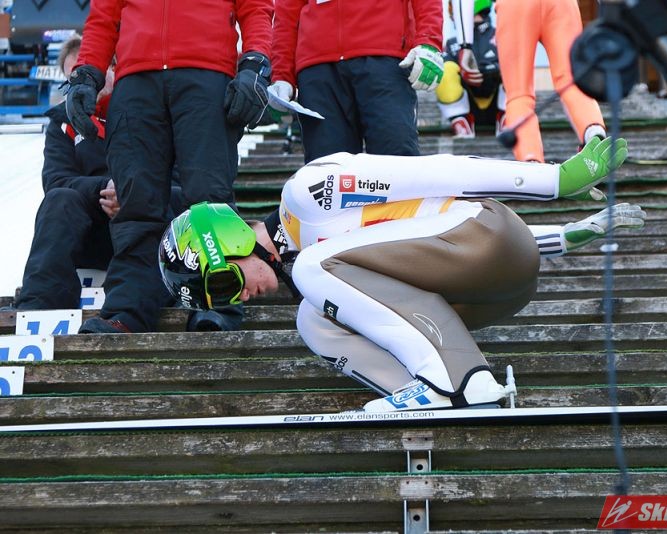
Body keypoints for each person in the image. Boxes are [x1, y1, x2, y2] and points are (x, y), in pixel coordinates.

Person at [158, 137, 644, 412]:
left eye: (225, 284)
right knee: (313, 319)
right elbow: (415, 244)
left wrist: (555, 181)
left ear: (229, 240)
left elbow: (440, 174)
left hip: (485, 232)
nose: (240, 298)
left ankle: (450, 381)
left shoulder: (307, 194)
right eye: (224, 300)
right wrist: (563, 238)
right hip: (488, 280)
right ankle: (432, 393)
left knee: (312, 269)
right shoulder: (319, 266)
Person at [62, 0, 273, 333]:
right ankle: (127, 311)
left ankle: (218, 301)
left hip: (206, 75)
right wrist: (86, 73)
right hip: (136, 82)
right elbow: (104, 15)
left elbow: (256, 7)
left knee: (209, 196)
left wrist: (254, 63)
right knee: (136, 205)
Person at [9, 36, 240, 332]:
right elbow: (55, 181)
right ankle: (39, 307)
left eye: (87, 73)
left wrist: (133, 194)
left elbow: (184, 183)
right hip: (95, 228)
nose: (81, 84)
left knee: (188, 201)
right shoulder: (63, 122)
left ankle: (197, 296)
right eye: (72, 79)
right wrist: (107, 189)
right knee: (59, 200)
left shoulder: (156, 110)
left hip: (156, 229)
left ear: (114, 68)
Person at [268, 0, 444, 163]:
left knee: (395, 162)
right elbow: (286, 12)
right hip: (317, 69)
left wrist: (429, 40)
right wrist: (282, 75)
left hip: (384, 59)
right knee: (327, 170)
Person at [495, 0, 607, 163]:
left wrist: (465, 45)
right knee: (572, 81)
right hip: (562, 4)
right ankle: (592, 129)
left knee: (518, 94)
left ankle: (530, 158)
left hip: (515, 5)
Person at [437, 0, 506, 138]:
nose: (451, 11)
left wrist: (492, 70)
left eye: (452, 5)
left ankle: (507, 118)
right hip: (466, 106)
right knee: (444, 66)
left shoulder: (501, 37)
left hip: (500, 104)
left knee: (515, 63)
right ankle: (460, 121)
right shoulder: (452, 43)